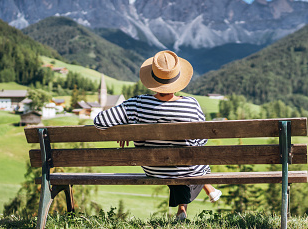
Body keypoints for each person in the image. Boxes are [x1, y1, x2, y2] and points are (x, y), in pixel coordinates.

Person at [93, 50, 222, 220]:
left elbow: (99, 121)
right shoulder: (191, 104)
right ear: (177, 80)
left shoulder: (136, 104)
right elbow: (201, 139)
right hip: (187, 168)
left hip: (154, 169)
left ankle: (187, 205)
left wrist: (125, 127)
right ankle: (196, 198)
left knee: (174, 162)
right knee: (191, 159)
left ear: (152, 80)